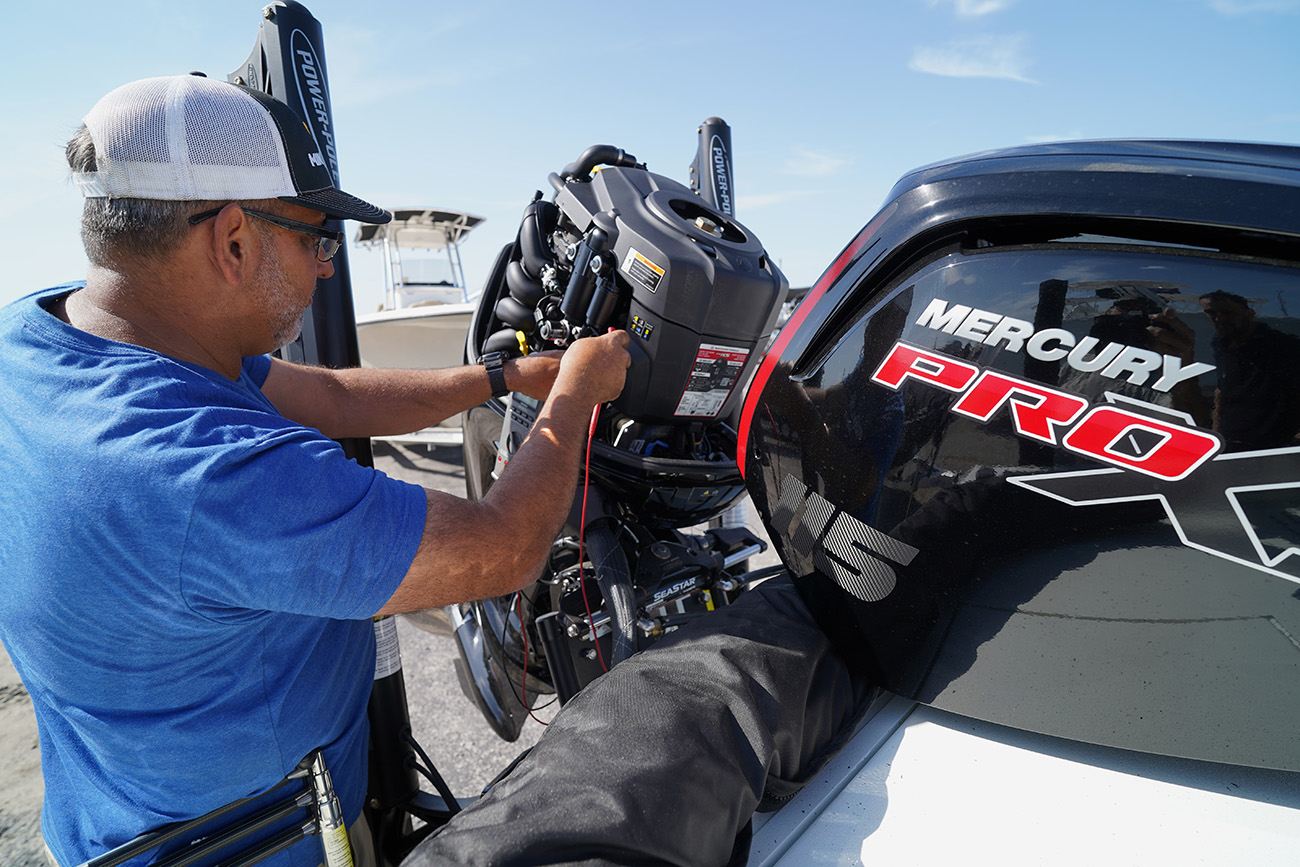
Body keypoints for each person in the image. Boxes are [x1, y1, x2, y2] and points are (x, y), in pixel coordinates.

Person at [1, 73, 868, 867]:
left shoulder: (49, 338)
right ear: (231, 240)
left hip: (105, 821)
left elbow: (328, 395)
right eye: (316, 236)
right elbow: (502, 550)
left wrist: (503, 377)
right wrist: (578, 394)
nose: (328, 262)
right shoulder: (206, 474)